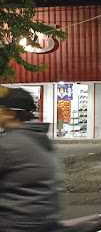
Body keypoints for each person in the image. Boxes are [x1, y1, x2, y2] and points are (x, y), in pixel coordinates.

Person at [0, 87, 60, 231]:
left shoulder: (9, 144)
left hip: (16, 225)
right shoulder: (40, 138)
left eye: (1, 109)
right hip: (44, 220)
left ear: (10, 114)